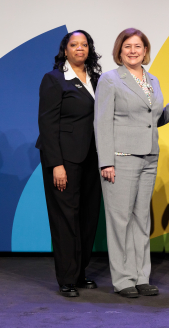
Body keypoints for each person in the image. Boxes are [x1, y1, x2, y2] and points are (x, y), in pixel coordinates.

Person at [94, 28, 169, 298]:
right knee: (120, 221)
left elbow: (154, 118)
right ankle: (123, 279)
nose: (133, 50)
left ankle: (142, 276)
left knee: (141, 220)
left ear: (145, 50)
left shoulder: (152, 79)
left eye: (138, 46)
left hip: (149, 156)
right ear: (120, 50)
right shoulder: (110, 79)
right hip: (121, 158)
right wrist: (106, 161)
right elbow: (102, 123)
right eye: (127, 46)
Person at [36, 30, 102, 297]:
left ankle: (80, 272)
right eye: (74, 44)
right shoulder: (54, 79)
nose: (79, 48)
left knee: (88, 218)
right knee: (65, 219)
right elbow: (48, 124)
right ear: (65, 50)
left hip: (92, 159)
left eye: (84, 45)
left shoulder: (98, 80)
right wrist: (56, 165)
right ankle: (66, 277)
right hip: (64, 160)